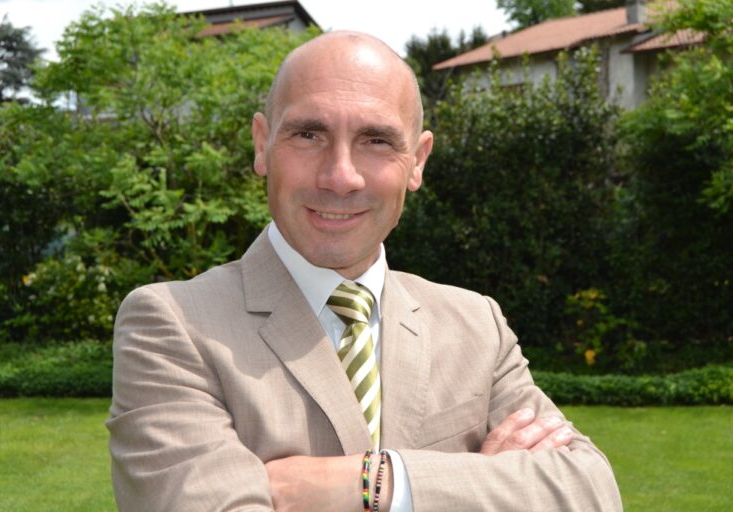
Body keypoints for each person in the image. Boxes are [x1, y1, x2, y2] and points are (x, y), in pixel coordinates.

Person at [107, 31, 622, 511]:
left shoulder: (477, 326)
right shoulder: (172, 325)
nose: (341, 176)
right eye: (309, 134)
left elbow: (589, 491)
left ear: (417, 161)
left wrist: (380, 480)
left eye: (376, 140)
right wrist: (481, 482)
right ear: (262, 144)